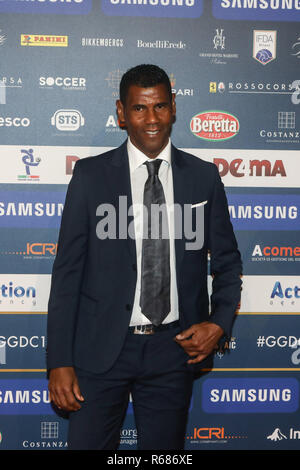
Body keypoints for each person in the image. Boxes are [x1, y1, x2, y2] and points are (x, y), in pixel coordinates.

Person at [47, 64, 242, 450]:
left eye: (160, 107)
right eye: (139, 108)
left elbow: (228, 261)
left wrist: (218, 324)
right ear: (121, 112)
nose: (151, 119)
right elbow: (67, 274)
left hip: (173, 351)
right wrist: (59, 361)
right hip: (99, 350)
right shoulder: (90, 176)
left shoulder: (203, 177)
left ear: (173, 107)